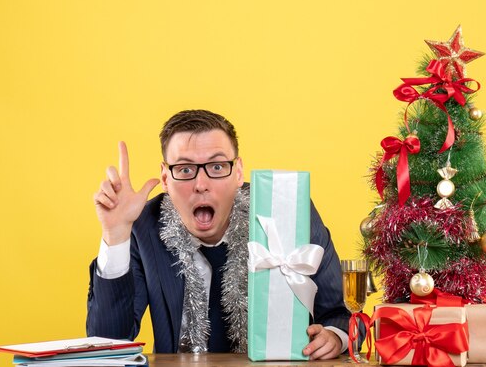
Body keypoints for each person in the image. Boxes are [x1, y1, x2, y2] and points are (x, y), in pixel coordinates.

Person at [87, 110, 350, 359]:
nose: (201, 185)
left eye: (216, 167)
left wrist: (336, 338)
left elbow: (339, 314)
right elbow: (108, 342)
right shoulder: (142, 225)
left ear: (238, 172)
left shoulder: (290, 212)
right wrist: (116, 234)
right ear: (165, 179)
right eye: (185, 169)